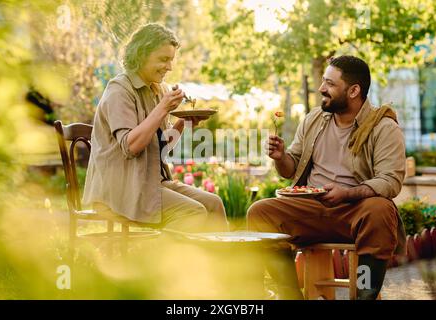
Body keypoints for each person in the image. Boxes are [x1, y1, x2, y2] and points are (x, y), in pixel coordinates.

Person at [247, 55, 406, 300]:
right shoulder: (313, 119)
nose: (322, 88)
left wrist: (348, 193)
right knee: (260, 212)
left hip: (356, 213)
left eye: (330, 84)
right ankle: (289, 295)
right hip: (311, 209)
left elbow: (390, 180)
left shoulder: (383, 127)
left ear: (354, 90)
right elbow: (291, 170)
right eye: (323, 81)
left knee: (380, 210)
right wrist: (281, 157)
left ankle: (365, 294)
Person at [83, 23, 229, 232]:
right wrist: (162, 108)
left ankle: (221, 264)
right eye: (163, 59)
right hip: (121, 189)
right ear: (141, 55)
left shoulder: (157, 90)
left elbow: (161, 147)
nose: (169, 67)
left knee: (214, 204)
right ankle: (160, 263)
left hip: (151, 182)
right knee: (193, 212)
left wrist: (182, 123)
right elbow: (131, 147)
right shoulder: (119, 90)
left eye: (171, 60)